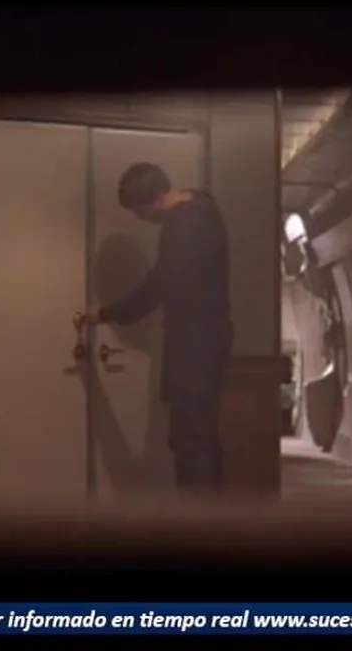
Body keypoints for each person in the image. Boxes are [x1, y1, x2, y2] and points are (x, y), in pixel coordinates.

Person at [75, 162, 233, 492]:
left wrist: (103, 313)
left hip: (192, 348)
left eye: (139, 211)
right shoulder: (204, 209)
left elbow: (156, 288)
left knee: (191, 444)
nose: (140, 219)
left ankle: (201, 518)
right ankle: (214, 514)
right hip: (209, 344)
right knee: (202, 440)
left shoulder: (182, 225)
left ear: (155, 199)